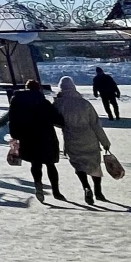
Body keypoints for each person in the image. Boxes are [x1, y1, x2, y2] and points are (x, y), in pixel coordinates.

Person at [53, 75, 111, 205]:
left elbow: (56, 121)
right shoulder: (84, 103)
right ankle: (98, 190)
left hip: (71, 138)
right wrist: (105, 142)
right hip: (89, 137)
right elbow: (96, 124)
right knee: (94, 165)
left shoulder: (58, 104)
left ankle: (86, 186)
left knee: (79, 165)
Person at [6, 79, 64, 201]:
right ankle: (56, 191)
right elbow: (56, 118)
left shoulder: (17, 103)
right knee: (50, 164)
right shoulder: (43, 102)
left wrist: (15, 135)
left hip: (28, 137)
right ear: (38, 89)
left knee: (35, 163)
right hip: (46, 136)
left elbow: (12, 119)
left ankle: (38, 185)